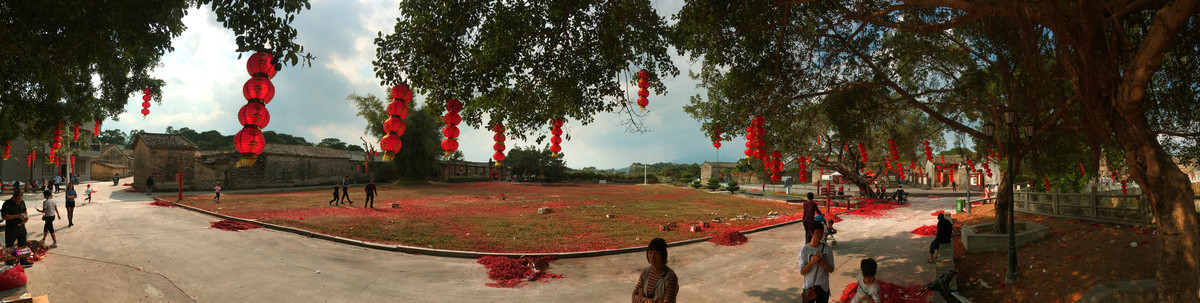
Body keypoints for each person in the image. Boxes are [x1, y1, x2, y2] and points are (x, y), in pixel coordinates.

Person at [632, 238, 678, 303]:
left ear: (663, 256)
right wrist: (653, 301)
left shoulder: (670, 278)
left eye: (656, 253)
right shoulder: (646, 272)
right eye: (650, 253)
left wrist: (641, 299)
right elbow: (633, 297)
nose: (652, 256)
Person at [800, 221, 834, 303]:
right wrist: (811, 263)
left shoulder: (827, 249)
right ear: (811, 233)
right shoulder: (805, 250)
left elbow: (831, 269)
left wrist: (824, 264)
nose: (819, 235)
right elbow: (802, 271)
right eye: (817, 232)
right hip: (809, 287)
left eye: (821, 232)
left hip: (823, 287)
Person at [2, 190, 33, 267]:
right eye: (18, 199)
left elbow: (25, 211)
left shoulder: (22, 202)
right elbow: (4, 216)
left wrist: (26, 217)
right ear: (13, 197)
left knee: (22, 244)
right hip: (11, 228)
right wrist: (16, 216)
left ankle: (23, 260)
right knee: (10, 245)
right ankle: (9, 262)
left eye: (20, 199)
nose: (19, 201)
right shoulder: (7, 204)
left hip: (21, 226)